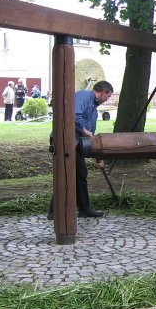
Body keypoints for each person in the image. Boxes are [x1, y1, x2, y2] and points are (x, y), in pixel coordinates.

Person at [48, 80, 114, 219]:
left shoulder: (93, 112)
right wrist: (84, 130)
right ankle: (67, 210)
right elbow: (74, 115)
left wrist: (98, 158)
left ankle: (61, 210)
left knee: (75, 174)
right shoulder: (84, 96)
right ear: (103, 92)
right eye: (107, 96)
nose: (107, 100)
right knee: (69, 173)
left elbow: (91, 138)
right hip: (65, 140)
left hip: (76, 143)